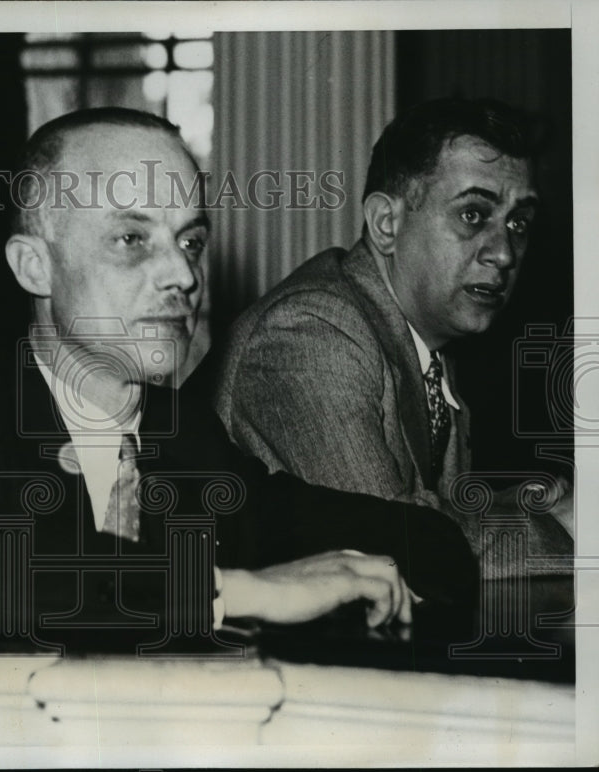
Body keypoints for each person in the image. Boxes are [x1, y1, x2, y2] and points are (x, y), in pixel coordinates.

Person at [0, 108, 478, 655]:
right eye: (130, 238)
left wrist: (372, 570)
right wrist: (244, 591)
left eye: (190, 240)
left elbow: (427, 543)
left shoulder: (187, 438)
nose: (183, 274)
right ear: (35, 266)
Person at [214, 98, 572, 573]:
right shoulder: (310, 333)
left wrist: (528, 504)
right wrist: (566, 528)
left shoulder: (429, 345)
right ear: (387, 224)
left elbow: (426, 511)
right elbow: (394, 546)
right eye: (472, 215)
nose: (504, 253)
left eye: (518, 222)